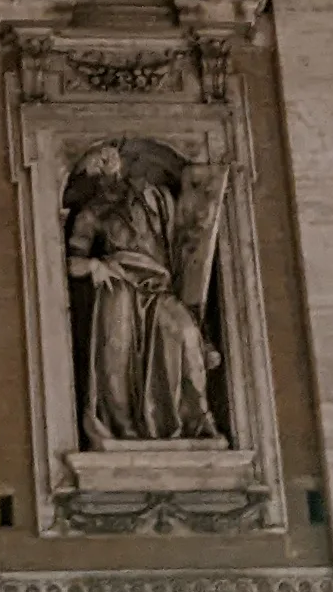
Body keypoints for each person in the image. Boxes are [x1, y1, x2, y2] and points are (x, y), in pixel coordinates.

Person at [63, 141, 226, 446]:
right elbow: (72, 262)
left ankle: (199, 420)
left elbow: (185, 242)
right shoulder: (91, 214)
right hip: (118, 284)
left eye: (109, 160)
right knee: (117, 355)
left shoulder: (156, 197)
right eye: (99, 166)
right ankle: (124, 429)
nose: (107, 168)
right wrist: (94, 266)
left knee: (186, 335)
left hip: (159, 288)